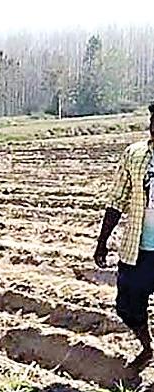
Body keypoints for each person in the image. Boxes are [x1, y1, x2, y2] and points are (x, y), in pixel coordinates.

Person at [95, 103, 154, 371]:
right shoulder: (135, 155)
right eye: (153, 122)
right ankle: (148, 348)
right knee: (127, 308)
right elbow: (117, 200)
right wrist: (102, 242)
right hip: (137, 249)